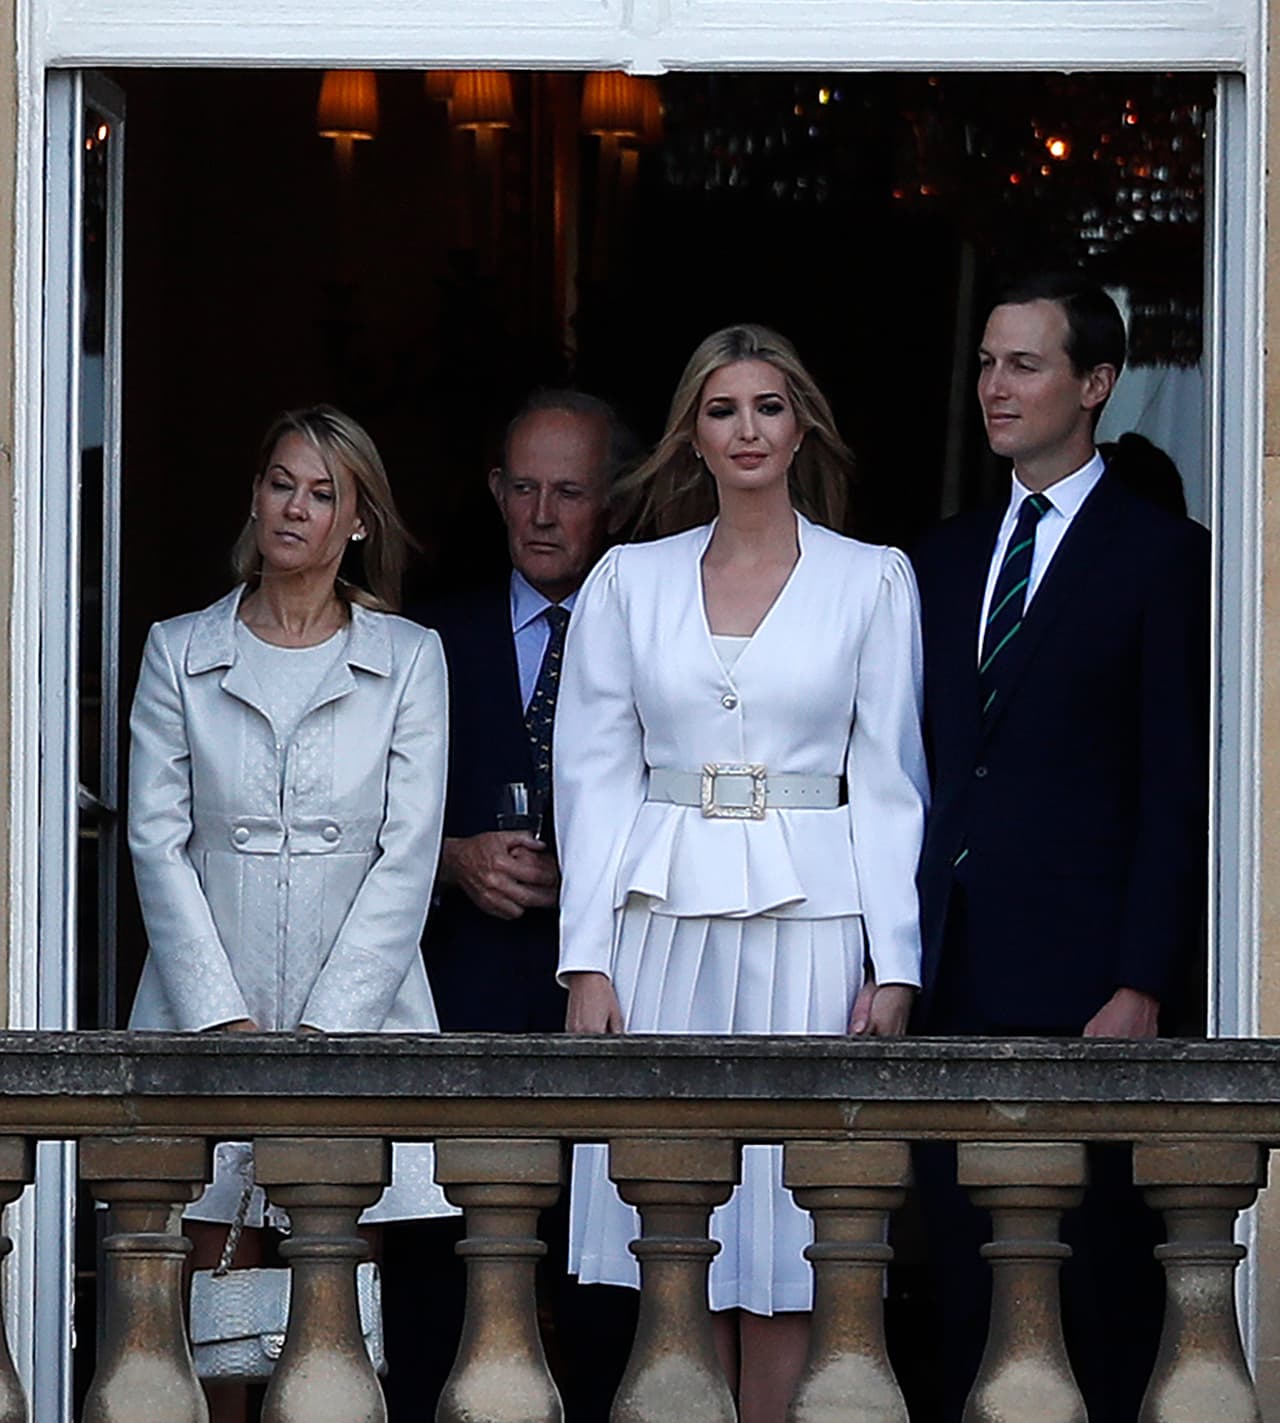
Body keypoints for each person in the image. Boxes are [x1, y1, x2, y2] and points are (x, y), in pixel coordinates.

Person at [554, 324, 929, 1423]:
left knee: (782, 1246)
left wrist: (893, 959)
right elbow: (590, 779)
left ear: (799, 423)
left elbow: (892, 782)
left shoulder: (870, 579)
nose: (747, 428)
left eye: (768, 406)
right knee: (673, 1244)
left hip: (810, 929)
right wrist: (584, 957)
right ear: (693, 437)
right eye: (723, 410)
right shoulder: (628, 579)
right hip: (657, 927)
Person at [911, 273, 1211, 1423]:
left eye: (1022, 364)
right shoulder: (938, 557)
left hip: (1085, 986)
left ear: (1092, 384)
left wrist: (1139, 977)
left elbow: (1172, 779)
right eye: (985, 362)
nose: (994, 385)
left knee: (1087, 1295)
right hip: (947, 974)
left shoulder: (1159, 554)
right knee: (956, 1296)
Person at [127, 405, 455, 1420]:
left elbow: (408, 853)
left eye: (322, 493)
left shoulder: (407, 657)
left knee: (329, 1338)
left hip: (352, 1030)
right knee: (211, 1328)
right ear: (256, 495)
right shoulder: (180, 650)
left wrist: (328, 1030)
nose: (295, 508)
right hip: (200, 1024)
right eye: (281, 483)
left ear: (357, 520)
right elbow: (155, 839)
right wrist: (222, 1019)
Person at [399, 389, 636, 1423]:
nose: (542, 513)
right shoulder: (425, 638)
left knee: (607, 1280)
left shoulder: (655, 623)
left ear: (613, 503)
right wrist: (450, 858)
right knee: (443, 1271)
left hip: (615, 995)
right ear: (495, 492)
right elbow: (361, 812)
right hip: (464, 990)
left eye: (570, 491)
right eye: (524, 487)